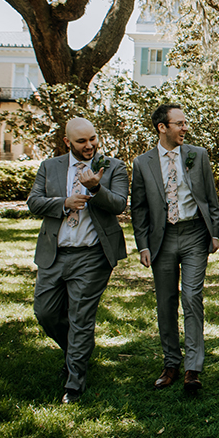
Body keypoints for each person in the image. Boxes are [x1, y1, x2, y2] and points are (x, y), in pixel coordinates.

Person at [27, 118, 128, 404]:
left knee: (80, 318)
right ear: (67, 142)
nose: (90, 145)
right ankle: (76, 353)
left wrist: (96, 190)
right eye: (82, 141)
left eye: (93, 139)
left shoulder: (113, 167)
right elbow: (33, 201)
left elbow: (120, 204)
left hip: (92, 255)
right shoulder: (50, 166)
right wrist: (63, 203)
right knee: (45, 313)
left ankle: (74, 384)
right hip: (55, 254)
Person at [131, 103, 219, 393]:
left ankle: (193, 368)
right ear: (162, 128)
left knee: (192, 297)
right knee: (166, 302)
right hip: (162, 238)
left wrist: (214, 233)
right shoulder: (142, 163)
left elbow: (210, 196)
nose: (185, 128)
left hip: (195, 233)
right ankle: (171, 362)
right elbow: (139, 209)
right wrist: (143, 245)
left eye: (185, 123)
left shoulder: (198, 155)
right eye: (179, 123)